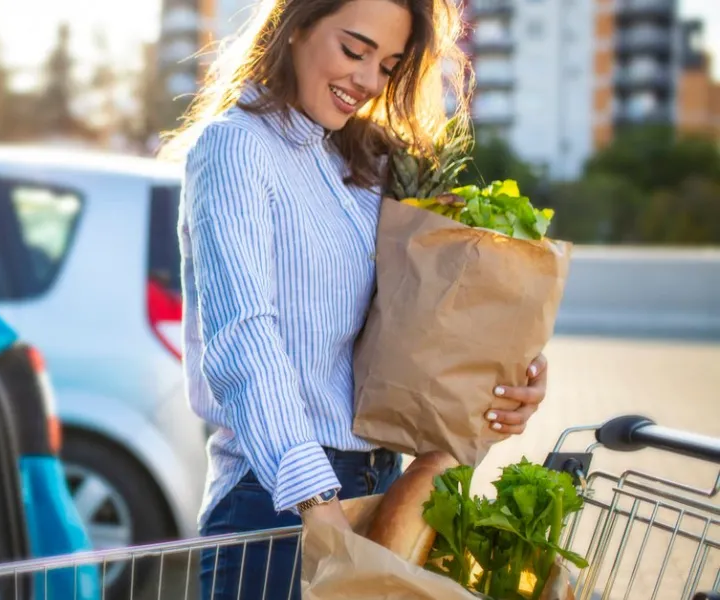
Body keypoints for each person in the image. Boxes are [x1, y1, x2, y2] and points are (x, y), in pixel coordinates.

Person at [157, 1, 550, 599]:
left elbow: (404, 328)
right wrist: (318, 503)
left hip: (380, 484)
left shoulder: (355, 162)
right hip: (280, 505)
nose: (368, 81)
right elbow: (243, 337)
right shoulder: (236, 148)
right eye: (354, 50)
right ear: (295, 29)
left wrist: (503, 384)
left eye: (388, 65)